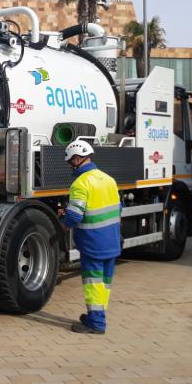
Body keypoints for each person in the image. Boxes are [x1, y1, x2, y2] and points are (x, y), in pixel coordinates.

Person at [62, 140, 121, 334]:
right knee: (104, 283)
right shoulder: (108, 179)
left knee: (92, 284)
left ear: (78, 159)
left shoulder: (81, 183)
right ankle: (98, 316)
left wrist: (62, 224)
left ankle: (96, 324)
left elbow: (74, 216)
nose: (71, 166)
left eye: (71, 162)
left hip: (93, 244)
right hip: (111, 241)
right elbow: (118, 208)